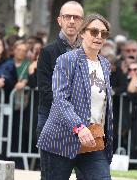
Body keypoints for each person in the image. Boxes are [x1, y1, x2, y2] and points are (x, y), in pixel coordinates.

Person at [37, 13, 113, 180]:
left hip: (93, 139)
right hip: (61, 139)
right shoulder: (67, 60)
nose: (99, 36)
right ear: (82, 33)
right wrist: (78, 127)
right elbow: (60, 99)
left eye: (104, 33)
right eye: (94, 32)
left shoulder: (105, 65)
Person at [36, 1, 84, 178]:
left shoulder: (89, 54)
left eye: (76, 17)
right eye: (67, 17)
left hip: (83, 123)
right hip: (52, 120)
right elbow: (45, 90)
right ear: (59, 20)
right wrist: (70, 112)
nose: (71, 21)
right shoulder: (48, 52)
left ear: (82, 22)